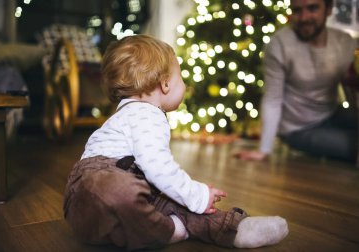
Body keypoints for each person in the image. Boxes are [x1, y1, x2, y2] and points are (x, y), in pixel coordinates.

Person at [63, 35, 288, 250]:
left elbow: (154, 176)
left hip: (96, 215)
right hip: (98, 189)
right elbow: (157, 168)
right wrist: (196, 194)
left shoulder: (127, 113)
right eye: (181, 77)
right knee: (128, 192)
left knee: (170, 200)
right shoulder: (145, 114)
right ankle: (172, 230)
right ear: (165, 84)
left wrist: (188, 196)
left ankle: (235, 229)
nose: (185, 85)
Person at [236, 0, 358, 162]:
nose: (304, 17)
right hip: (297, 129)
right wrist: (263, 150)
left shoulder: (345, 42)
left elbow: (351, 86)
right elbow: (273, 99)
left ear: (328, 10)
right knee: (354, 146)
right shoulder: (279, 45)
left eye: (312, 8)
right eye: (297, 10)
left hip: (331, 113)